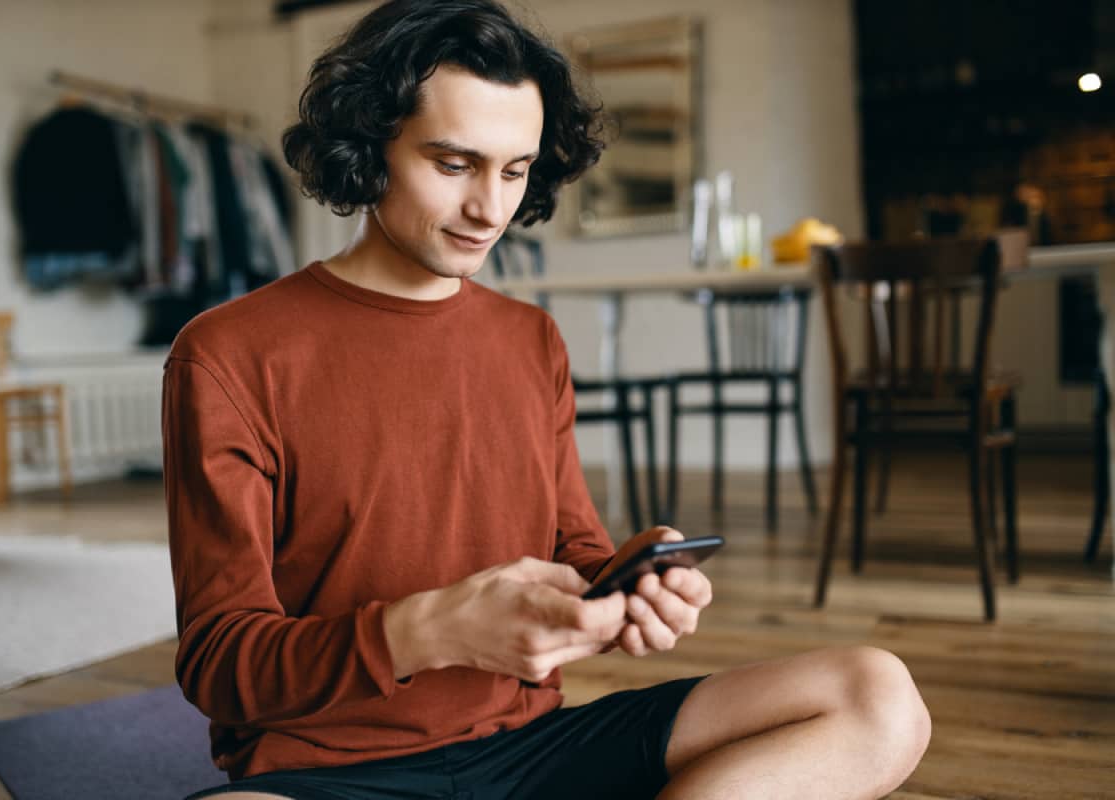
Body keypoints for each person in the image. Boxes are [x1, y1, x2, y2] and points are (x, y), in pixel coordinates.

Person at [163, 1, 931, 798]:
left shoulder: (532, 341)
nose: (490, 209)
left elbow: (578, 555)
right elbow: (220, 663)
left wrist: (631, 588)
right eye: (454, 164)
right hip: (329, 775)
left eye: (515, 169)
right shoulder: (228, 353)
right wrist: (426, 631)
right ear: (369, 146)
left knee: (879, 697)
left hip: (533, 753)